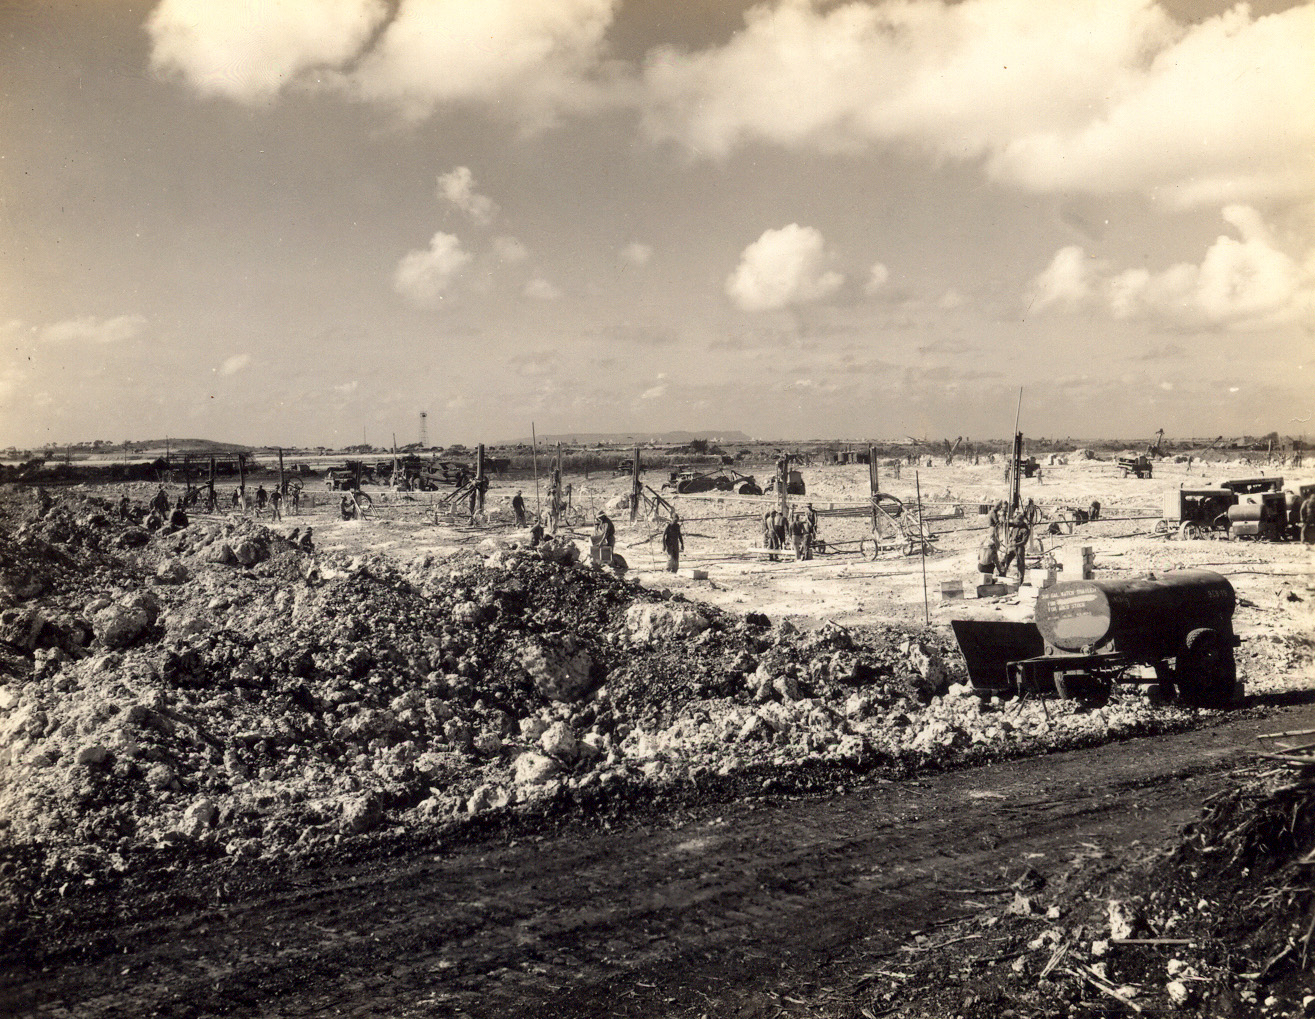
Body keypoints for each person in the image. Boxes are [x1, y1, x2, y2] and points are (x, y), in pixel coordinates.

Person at [999, 510, 1031, 583]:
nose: (1015, 523)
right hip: (1011, 546)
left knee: (1020, 563)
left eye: (1017, 522)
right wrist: (1003, 520)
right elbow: (1007, 524)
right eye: (1015, 522)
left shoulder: (1025, 529)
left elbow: (1024, 542)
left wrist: (1014, 544)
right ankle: (1002, 575)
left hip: (1019, 547)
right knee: (1005, 560)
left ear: (1021, 522)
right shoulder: (1015, 524)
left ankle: (1020, 580)